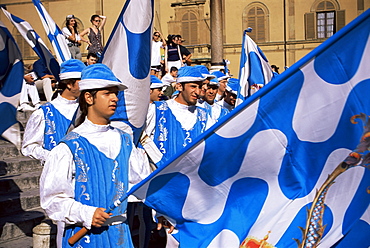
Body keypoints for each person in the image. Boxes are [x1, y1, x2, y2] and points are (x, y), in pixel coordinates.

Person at [40, 63, 150, 248]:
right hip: (85, 238)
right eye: (107, 93)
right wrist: (85, 213)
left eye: (115, 92)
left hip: (121, 236)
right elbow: (51, 200)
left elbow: (143, 184)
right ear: (89, 97)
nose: (115, 98)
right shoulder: (68, 147)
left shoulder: (125, 141)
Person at [144, 66, 214, 166]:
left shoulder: (205, 116)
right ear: (179, 86)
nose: (198, 92)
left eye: (200, 87)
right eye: (193, 86)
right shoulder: (157, 110)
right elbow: (143, 140)